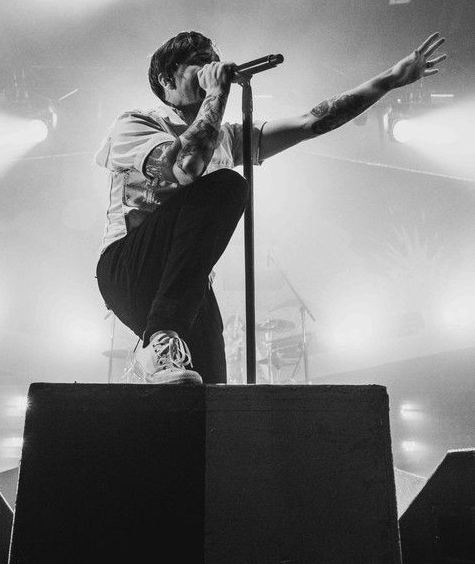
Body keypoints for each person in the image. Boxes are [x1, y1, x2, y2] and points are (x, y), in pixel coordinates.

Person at [95, 30, 446, 385]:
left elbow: (311, 122)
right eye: (199, 62)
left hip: (184, 284)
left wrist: (388, 80)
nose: (212, 67)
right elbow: (186, 166)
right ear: (166, 78)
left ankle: (161, 354)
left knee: (208, 385)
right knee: (229, 185)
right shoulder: (137, 123)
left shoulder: (226, 138)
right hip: (129, 267)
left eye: (214, 60)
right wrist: (216, 92)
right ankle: (160, 335)